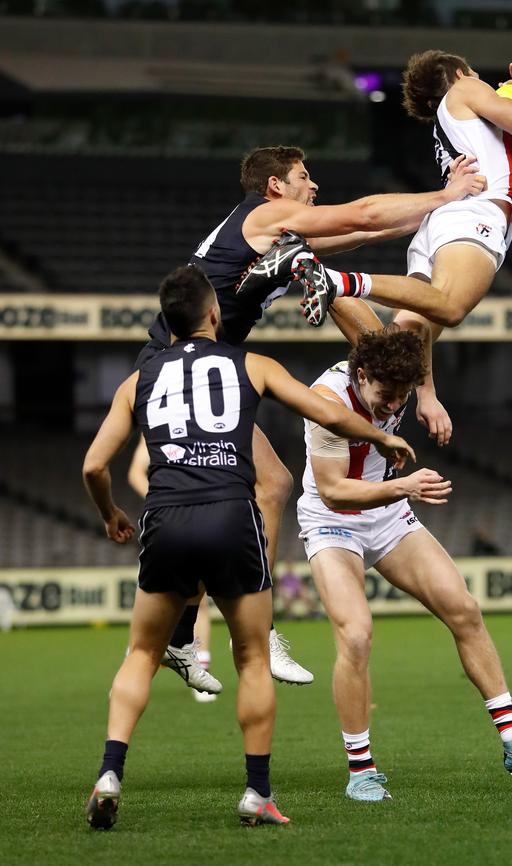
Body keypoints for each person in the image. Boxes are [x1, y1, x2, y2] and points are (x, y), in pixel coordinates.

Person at [82, 264, 415, 829]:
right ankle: (256, 793)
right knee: (254, 657)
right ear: (215, 314)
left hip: (164, 518)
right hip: (231, 517)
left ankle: (111, 771)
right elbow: (325, 411)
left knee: (142, 653)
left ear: (166, 323)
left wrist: (112, 513)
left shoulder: (135, 383)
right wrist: (380, 434)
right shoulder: (250, 363)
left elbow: (93, 465)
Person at [140, 145, 484, 680]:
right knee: (251, 493)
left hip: (201, 366)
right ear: (276, 186)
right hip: (185, 367)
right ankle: (252, 632)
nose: (315, 185)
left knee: (268, 487)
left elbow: (364, 234)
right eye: (304, 177)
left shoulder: (277, 238)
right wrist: (446, 193)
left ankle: (187, 636)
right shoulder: (266, 215)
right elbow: (363, 214)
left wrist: (437, 213)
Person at [296, 326, 512, 802]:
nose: (392, 406)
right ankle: (361, 771)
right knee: (356, 635)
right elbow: (335, 489)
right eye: (385, 395)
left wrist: (428, 397)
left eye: (402, 396)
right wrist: (404, 486)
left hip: (386, 514)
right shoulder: (328, 402)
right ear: (361, 376)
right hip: (333, 520)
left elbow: (417, 328)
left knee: (463, 609)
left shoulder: (394, 381)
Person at [292, 54, 512, 340]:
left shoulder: (471, 130)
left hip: (447, 222)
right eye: (474, 72)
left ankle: (371, 368)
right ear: (460, 74)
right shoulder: (466, 88)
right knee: (452, 306)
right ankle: (336, 281)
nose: (482, 81)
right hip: (472, 217)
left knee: (407, 347)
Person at [128, 434, 221, 702]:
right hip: (169, 521)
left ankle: (198, 669)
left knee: (199, 601)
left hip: (201, 520)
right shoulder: (158, 426)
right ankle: (134, 670)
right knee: (152, 601)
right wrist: (164, 500)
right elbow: (136, 472)